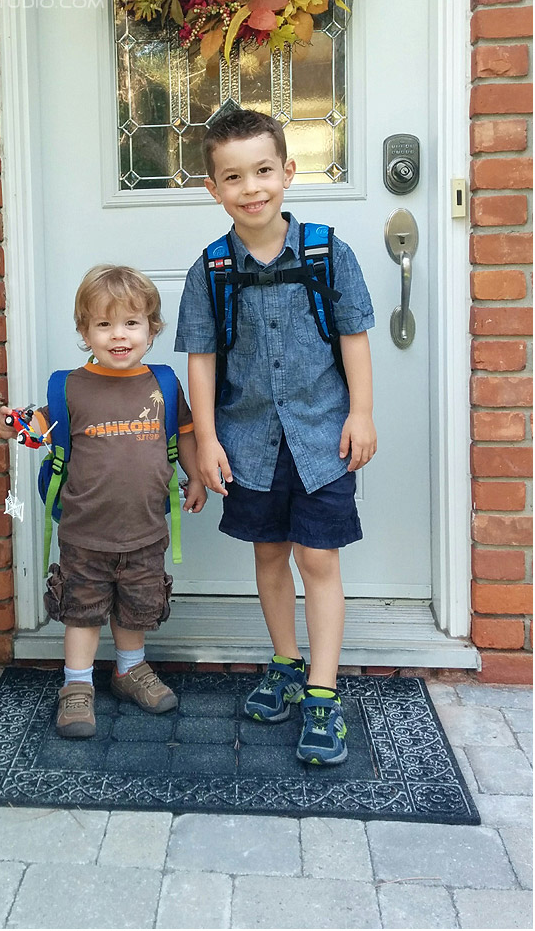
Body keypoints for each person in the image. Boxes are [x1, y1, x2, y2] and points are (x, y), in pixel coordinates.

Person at [175, 109, 377, 765]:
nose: (251, 187)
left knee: (316, 560)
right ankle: (284, 665)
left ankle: (321, 693)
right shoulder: (209, 271)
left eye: (263, 170)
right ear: (212, 188)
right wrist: (204, 439)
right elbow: (200, 359)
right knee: (267, 557)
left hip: (321, 438)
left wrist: (361, 413)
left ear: (287, 172)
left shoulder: (325, 251)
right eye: (232, 176)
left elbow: (353, 337)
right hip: (246, 439)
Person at [0, 264, 206, 739]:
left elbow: (185, 435)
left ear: (152, 329)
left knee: (136, 608)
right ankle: (76, 685)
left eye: (131, 323)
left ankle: (129, 671)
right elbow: (36, 432)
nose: (119, 335)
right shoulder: (70, 387)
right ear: (84, 331)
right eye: (104, 324)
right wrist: (14, 424)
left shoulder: (165, 386)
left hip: (147, 530)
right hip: (84, 533)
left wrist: (195, 477)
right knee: (82, 610)